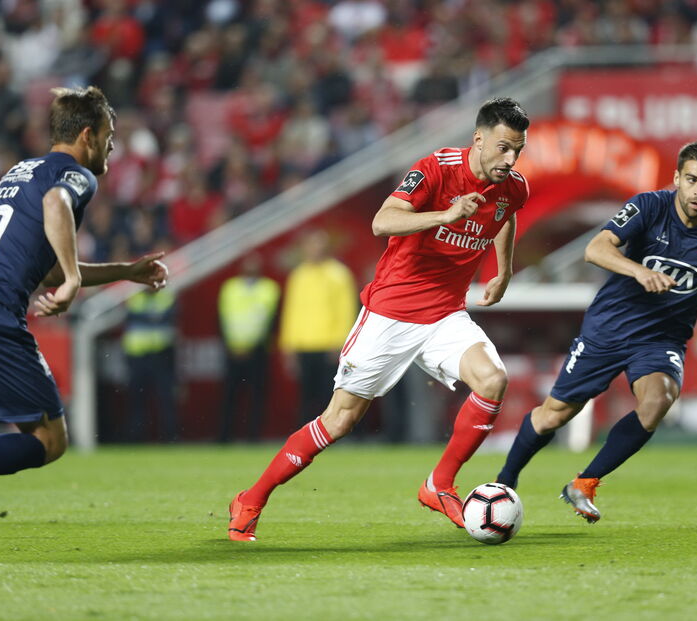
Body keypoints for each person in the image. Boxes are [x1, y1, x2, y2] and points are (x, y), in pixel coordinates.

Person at [228, 97, 530, 541]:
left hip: (445, 314)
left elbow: (505, 215)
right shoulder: (435, 169)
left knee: (493, 380)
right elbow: (381, 221)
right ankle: (251, 498)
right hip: (390, 313)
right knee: (340, 421)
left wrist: (502, 271)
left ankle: (439, 484)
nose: (511, 158)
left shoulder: (513, 186)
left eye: (518, 150)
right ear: (478, 138)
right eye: (504, 147)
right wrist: (445, 214)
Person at [0, 85, 168, 534]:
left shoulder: (22, 170)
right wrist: (72, 278)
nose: (112, 146)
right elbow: (56, 208)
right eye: (109, 136)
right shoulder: (74, 175)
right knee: (50, 440)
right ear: (87, 135)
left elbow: (46, 270)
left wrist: (126, 270)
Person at [495, 141, 697, 524]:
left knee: (657, 401)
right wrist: (638, 270)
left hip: (661, 339)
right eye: (691, 179)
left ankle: (585, 483)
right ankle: (504, 482)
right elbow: (595, 248)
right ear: (677, 178)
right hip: (609, 327)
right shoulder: (649, 206)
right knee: (554, 415)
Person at [278, 230, 358, 427]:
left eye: (319, 245)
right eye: (311, 245)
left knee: (330, 397)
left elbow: (346, 311)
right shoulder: (298, 275)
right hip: (304, 345)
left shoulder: (339, 274)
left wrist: (341, 343)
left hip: (329, 345)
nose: (315, 249)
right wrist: (288, 346)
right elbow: (291, 312)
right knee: (306, 396)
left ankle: (332, 435)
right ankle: (304, 439)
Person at [217, 253, 280, 442]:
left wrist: (257, 344)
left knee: (257, 397)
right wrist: (230, 345)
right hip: (232, 350)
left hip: (258, 351)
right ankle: (225, 437)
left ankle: (253, 436)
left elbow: (273, 321)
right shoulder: (230, 288)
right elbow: (221, 319)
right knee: (229, 397)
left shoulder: (269, 288)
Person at [122, 287, 177, 442]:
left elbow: (169, 316)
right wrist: (154, 317)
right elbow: (131, 316)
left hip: (161, 355)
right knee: (137, 400)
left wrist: (143, 317)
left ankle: (169, 437)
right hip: (137, 356)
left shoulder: (167, 297)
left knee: (166, 398)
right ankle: (136, 438)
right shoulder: (134, 298)